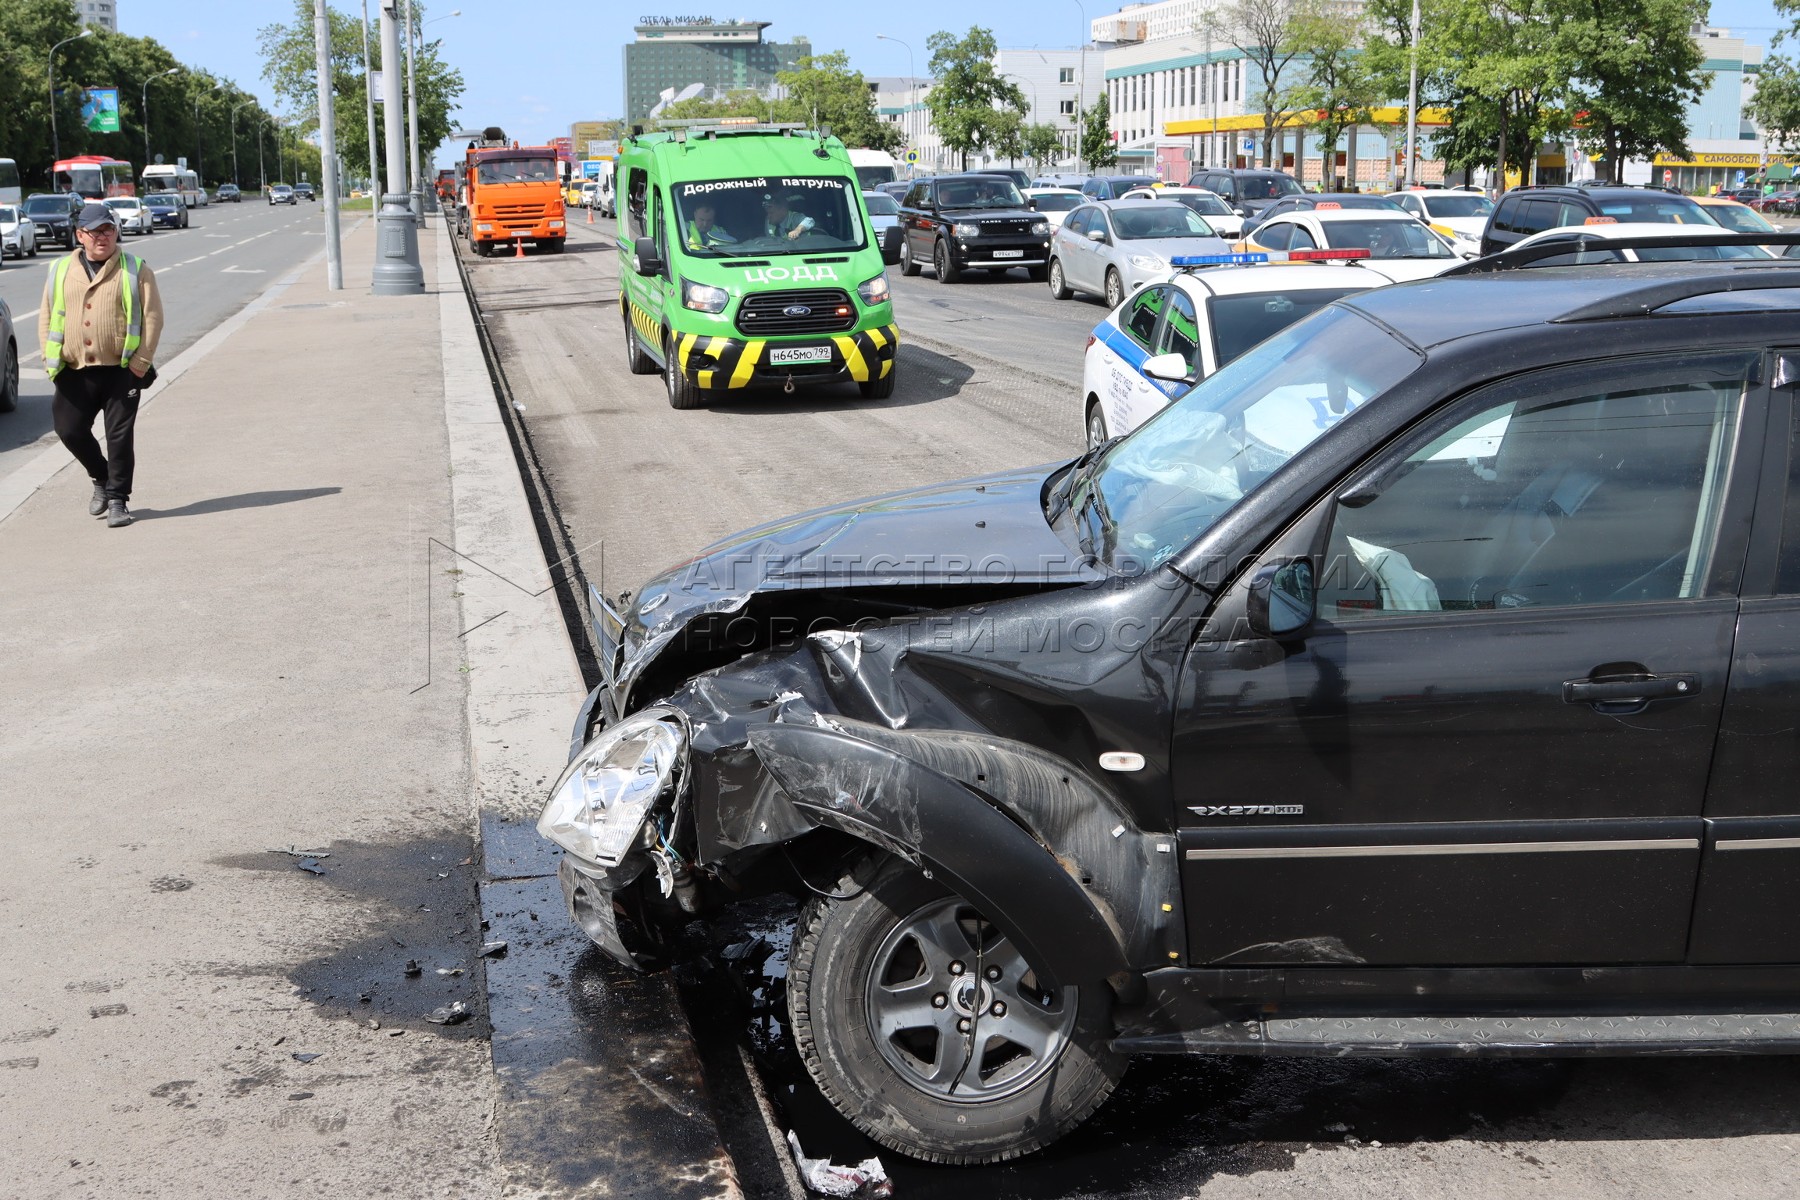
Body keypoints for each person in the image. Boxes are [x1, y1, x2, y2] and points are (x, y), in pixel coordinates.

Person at [39, 202, 164, 528]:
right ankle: (101, 476)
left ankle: (118, 501)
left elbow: (152, 317)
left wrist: (141, 361)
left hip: (122, 370)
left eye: (108, 230)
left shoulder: (135, 268)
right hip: (73, 369)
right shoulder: (60, 270)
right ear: (80, 234)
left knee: (119, 436)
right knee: (69, 430)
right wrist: (49, 361)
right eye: (94, 231)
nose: (102, 237)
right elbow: (46, 316)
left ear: (115, 232)